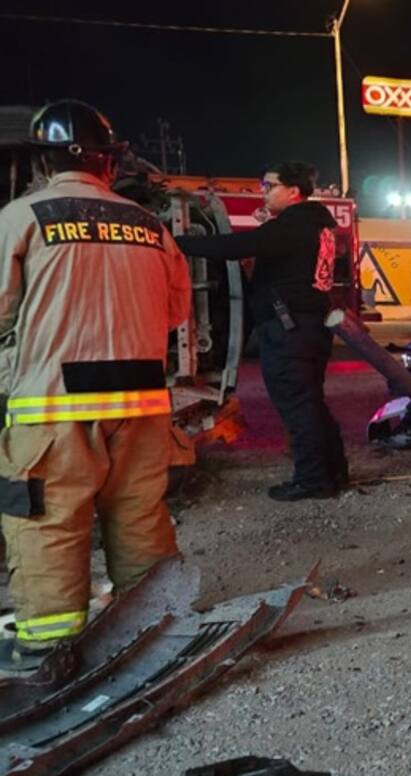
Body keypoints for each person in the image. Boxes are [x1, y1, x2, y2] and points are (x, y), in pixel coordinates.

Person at [0, 100, 193, 673]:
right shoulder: (151, 226)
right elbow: (176, 311)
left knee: (48, 520)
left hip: (51, 404)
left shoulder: (22, 218)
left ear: (43, 161)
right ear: (108, 162)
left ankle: (48, 646)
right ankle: (153, 629)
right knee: (139, 517)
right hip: (140, 402)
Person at [176, 162, 347, 501]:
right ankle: (332, 473)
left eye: (270, 186)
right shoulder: (317, 225)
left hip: (289, 329)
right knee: (311, 403)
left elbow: (235, 247)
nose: (263, 192)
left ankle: (313, 481)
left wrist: (176, 241)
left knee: (298, 406)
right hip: (308, 326)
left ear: (293, 191)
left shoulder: (293, 224)